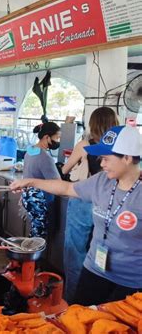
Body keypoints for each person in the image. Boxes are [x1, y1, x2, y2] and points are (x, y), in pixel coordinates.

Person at [10, 125, 142, 306]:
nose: (101, 163)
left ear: (127, 158)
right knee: (79, 317)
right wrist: (30, 181)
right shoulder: (102, 181)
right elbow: (67, 188)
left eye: (106, 159)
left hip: (130, 281)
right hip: (94, 270)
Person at [61, 107, 119, 303]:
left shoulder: (85, 144)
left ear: (92, 124)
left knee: (75, 252)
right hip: (110, 203)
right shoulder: (120, 147)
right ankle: (100, 303)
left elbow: (65, 169)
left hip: (83, 201)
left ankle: (73, 302)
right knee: (101, 252)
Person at [21, 122, 61, 238]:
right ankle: (33, 255)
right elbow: (57, 183)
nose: (58, 141)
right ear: (46, 137)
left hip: (28, 198)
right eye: (57, 137)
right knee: (40, 235)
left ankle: (30, 253)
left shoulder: (30, 151)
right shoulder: (45, 157)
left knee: (35, 230)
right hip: (40, 201)